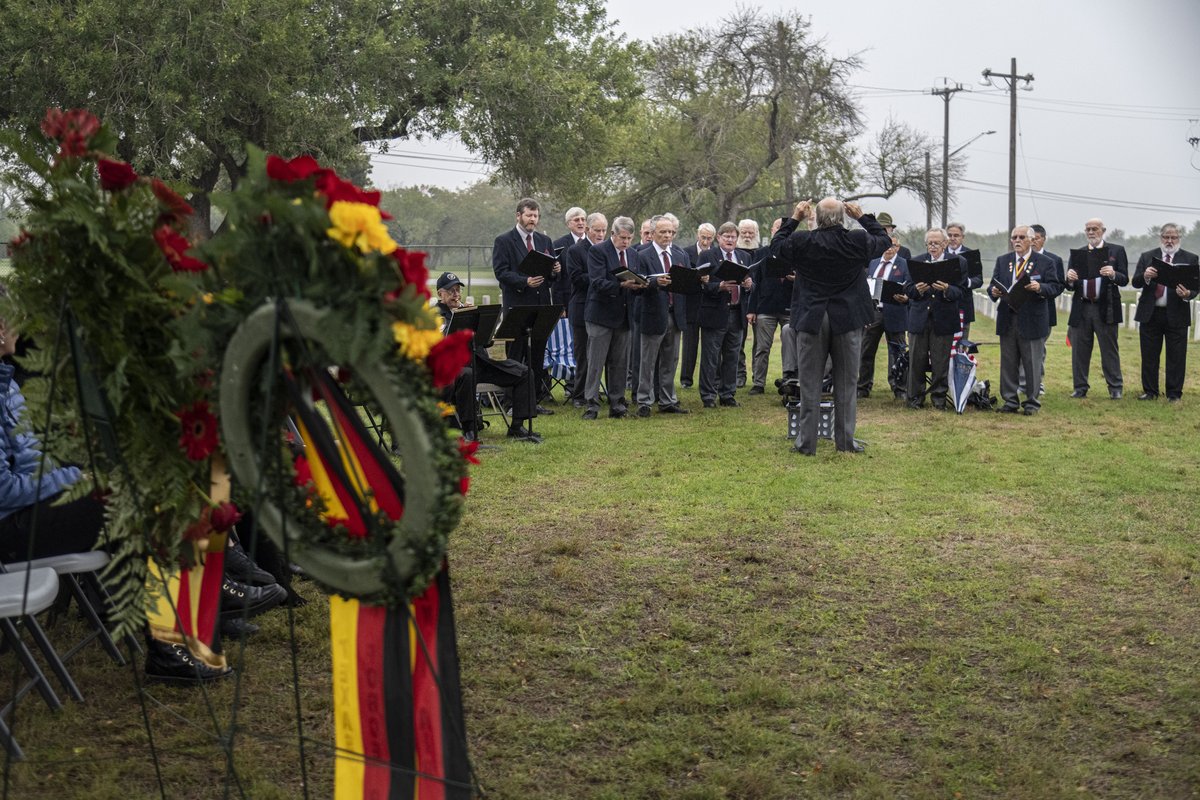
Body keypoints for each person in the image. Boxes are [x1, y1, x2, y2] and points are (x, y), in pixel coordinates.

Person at [770, 198, 890, 454]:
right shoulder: (856, 239)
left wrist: (795, 218)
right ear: (843, 217)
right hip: (847, 318)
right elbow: (884, 241)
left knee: (810, 383)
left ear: (817, 217)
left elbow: (777, 245)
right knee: (846, 383)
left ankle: (806, 443)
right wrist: (863, 217)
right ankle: (845, 442)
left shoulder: (803, 241)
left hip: (813, 317)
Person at [434, 272, 542, 443]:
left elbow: (485, 342)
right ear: (440, 294)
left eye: (457, 290)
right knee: (467, 375)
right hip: (457, 367)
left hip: (480, 362)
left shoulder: (466, 310)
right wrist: (457, 319)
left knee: (523, 372)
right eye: (451, 291)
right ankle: (469, 429)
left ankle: (517, 426)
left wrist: (480, 324)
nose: (456, 295)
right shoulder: (435, 315)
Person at [491, 197, 559, 414]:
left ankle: (534, 401)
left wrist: (555, 271)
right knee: (516, 354)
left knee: (537, 354)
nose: (533, 219)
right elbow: (501, 272)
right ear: (518, 216)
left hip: (541, 305)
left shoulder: (544, 241)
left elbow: (548, 276)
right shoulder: (504, 241)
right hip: (518, 306)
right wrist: (524, 282)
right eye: (529, 215)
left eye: (536, 215)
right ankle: (512, 402)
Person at [988, 225, 1062, 415]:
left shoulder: (1045, 262)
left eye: (1021, 237)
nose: (1017, 241)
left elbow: (1055, 287)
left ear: (1031, 240)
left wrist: (1040, 287)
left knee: (1032, 363)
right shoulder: (1003, 261)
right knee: (1008, 363)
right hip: (1008, 318)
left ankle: (1031, 402)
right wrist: (993, 292)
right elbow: (992, 286)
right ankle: (1010, 401)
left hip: (1032, 319)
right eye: (1014, 237)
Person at [582, 217, 643, 419]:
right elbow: (597, 282)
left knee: (619, 362)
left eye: (629, 238)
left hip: (623, 315)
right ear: (613, 234)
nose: (625, 242)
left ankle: (617, 403)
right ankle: (591, 404)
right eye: (622, 237)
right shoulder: (598, 251)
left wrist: (640, 285)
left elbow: (636, 278)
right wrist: (620, 286)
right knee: (596, 362)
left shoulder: (633, 255)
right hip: (600, 314)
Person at [1131, 223, 1197, 402]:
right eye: (1166, 237)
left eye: (1173, 237)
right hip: (1151, 313)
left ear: (1179, 239)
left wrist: (1187, 294)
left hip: (1177, 313)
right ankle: (1150, 391)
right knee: (1149, 354)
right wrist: (1145, 276)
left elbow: (1195, 288)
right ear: (1160, 238)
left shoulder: (1191, 258)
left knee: (1176, 356)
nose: (1169, 241)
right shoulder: (1147, 257)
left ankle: (1174, 394)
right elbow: (1136, 282)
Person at [1064, 218, 1128, 399]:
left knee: (1109, 350)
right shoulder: (1078, 253)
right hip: (1082, 307)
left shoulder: (1116, 251)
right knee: (1079, 351)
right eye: (1088, 229)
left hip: (1105, 306)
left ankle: (1115, 387)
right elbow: (1069, 285)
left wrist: (1113, 274)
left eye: (1095, 229)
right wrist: (1069, 278)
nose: (1091, 232)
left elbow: (1124, 279)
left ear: (1103, 230)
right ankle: (1080, 387)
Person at [632, 217, 690, 416]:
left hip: (675, 313)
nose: (667, 236)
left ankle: (667, 400)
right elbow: (637, 284)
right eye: (663, 232)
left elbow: (686, 284)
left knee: (671, 359)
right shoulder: (642, 255)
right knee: (647, 361)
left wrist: (698, 279)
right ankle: (644, 401)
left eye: (671, 232)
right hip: (652, 313)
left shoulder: (680, 254)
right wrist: (656, 283)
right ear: (653, 233)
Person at [904, 229, 966, 410]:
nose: (932, 246)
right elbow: (907, 289)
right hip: (919, 318)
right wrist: (918, 290)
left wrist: (947, 289)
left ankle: (938, 399)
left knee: (940, 362)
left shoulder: (958, 262)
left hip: (944, 318)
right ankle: (915, 398)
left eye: (936, 243)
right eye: (929, 243)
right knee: (917, 360)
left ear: (945, 244)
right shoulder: (916, 261)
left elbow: (961, 291)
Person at [697, 222, 753, 408]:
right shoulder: (707, 255)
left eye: (733, 237)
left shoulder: (744, 256)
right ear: (718, 238)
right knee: (711, 357)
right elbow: (699, 284)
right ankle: (708, 395)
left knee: (732, 356)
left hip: (737, 314)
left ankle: (728, 394)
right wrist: (717, 287)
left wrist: (749, 285)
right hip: (715, 313)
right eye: (726, 236)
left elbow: (753, 285)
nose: (730, 240)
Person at [857, 236, 909, 400]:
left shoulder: (904, 264)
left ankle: (899, 387)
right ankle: (863, 386)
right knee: (866, 350)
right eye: (886, 245)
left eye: (892, 245)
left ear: (898, 247)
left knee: (897, 352)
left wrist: (905, 296)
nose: (889, 248)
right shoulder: (873, 263)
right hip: (874, 313)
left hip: (895, 311)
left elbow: (908, 285)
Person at [565, 213, 607, 407]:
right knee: (582, 354)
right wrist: (600, 278)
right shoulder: (575, 250)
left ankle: (594, 391)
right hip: (581, 307)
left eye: (604, 230)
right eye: (597, 230)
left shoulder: (607, 250)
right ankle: (579, 394)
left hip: (602, 308)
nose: (600, 234)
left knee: (598, 353)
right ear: (588, 230)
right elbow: (576, 278)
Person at [746, 218, 790, 395]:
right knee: (762, 347)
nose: (779, 230)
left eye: (783, 228)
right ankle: (758, 382)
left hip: (789, 306)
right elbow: (755, 282)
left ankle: (789, 379)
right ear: (772, 230)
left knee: (790, 347)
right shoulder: (762, 253)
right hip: (765, 306)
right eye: (777, 227)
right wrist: (751, 309)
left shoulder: (795, 252)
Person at [679, 223, 716, 388]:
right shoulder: (686, 252)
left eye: (709, 238)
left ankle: (713, 378)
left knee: (711, 345)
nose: (706, 242)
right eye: (703, 237)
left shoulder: (715, 254)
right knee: (689, 343)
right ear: (697, 235)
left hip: (710, 302)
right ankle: (686, 379)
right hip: (692, 302)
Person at [945, 222, 980, 342]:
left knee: (961, 343)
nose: (953, 238)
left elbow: (978, 279)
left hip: (963, 305)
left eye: (956, 235)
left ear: (962, 237)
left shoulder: (971, 255)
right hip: (943, 305)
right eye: (949, 235)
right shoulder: (940, 253)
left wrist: (967, 282)